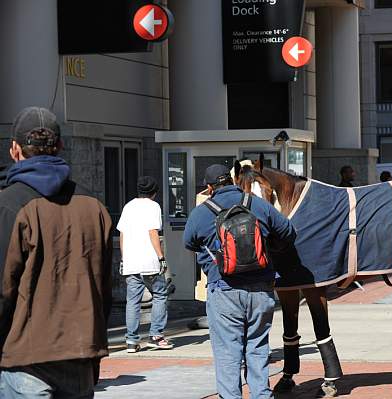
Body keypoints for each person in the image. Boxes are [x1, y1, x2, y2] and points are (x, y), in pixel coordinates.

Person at [0, 107, 113, 398]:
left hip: (23, 356)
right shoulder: (93, 206)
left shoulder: (9, 205)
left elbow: (3, 291)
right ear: (60, 147)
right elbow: (103, 289)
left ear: (15, 149)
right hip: (79, 351)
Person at [183, 164, 296, 399]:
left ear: (209, 187)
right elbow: (288, 231)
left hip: (223, 290)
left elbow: (189, 243)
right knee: (257, 347)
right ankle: (261, 395)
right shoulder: (256, 203)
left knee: (227, 353)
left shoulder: (201, 212)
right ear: (233, 180)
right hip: (261, 290)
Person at [117, 176, 174, 353]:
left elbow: (122, 235)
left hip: (131, 262)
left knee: (132, 301)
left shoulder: (128, 206)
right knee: (160, 294)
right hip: (149, 262)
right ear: (154, 193)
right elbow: (152, 232)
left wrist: (124, 258)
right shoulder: (153, 206)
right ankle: (156, 335)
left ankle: (132, 341)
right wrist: (161, 256)